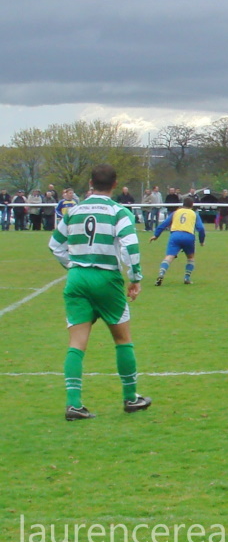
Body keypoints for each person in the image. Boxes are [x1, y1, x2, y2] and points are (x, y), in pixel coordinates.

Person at [48, 164, 151, 421]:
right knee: (122, 339)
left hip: (77, 279)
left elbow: (55, 245)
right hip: (107, 279)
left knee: (76, 343)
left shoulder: (73, 211)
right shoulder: (118, 211)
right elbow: (130, 247)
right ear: (115, 184)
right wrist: (135, 278)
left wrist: (73, 266)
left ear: (90, 183)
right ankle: (131, 398)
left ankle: (74, 404)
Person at [150, 197, 206, 285]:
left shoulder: (175, 212)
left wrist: (156, 235)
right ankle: (187, 278)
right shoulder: (194, 214)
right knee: (190, 257)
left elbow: (164, 224)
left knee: (169, 257)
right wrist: (201, 241)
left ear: (183, 204)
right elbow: (201, 228)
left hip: (175, 235)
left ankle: (161, 273)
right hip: (188, 236)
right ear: (192, 205)